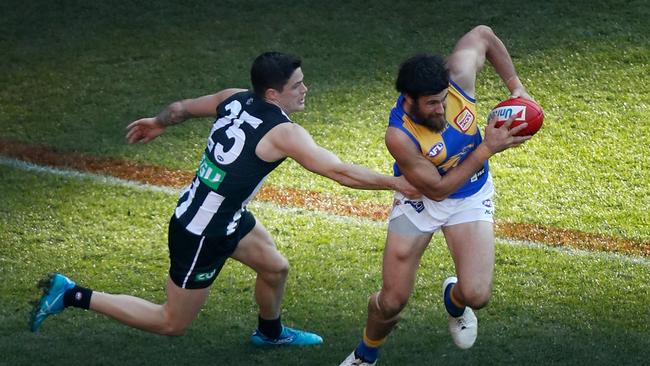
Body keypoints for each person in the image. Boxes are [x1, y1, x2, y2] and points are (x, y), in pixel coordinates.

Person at [29, 51, 419, 346]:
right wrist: (396, 183)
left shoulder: (233, 97)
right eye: (296, 85)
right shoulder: (285, 133)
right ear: (272, 93)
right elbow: (339, 171)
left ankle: (270, 333)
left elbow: (181, 109)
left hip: (225, 216)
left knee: (275, 268)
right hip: (202, 233)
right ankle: (72, 293)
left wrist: (158, 122)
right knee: (172, 323)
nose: (304, 89)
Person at [340, 25, 534, 365]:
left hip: (471, 194)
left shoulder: (457, 75)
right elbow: (438, 190)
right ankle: (365, 354)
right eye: (431, 104)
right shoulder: (399, 135)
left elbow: (484, 35)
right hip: (421, 201)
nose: (441, 109)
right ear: (408, 100)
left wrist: (517, 88)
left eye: (443, 99)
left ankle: (454, 299)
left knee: (477, 294)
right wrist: (487, 148)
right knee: (392, 301)